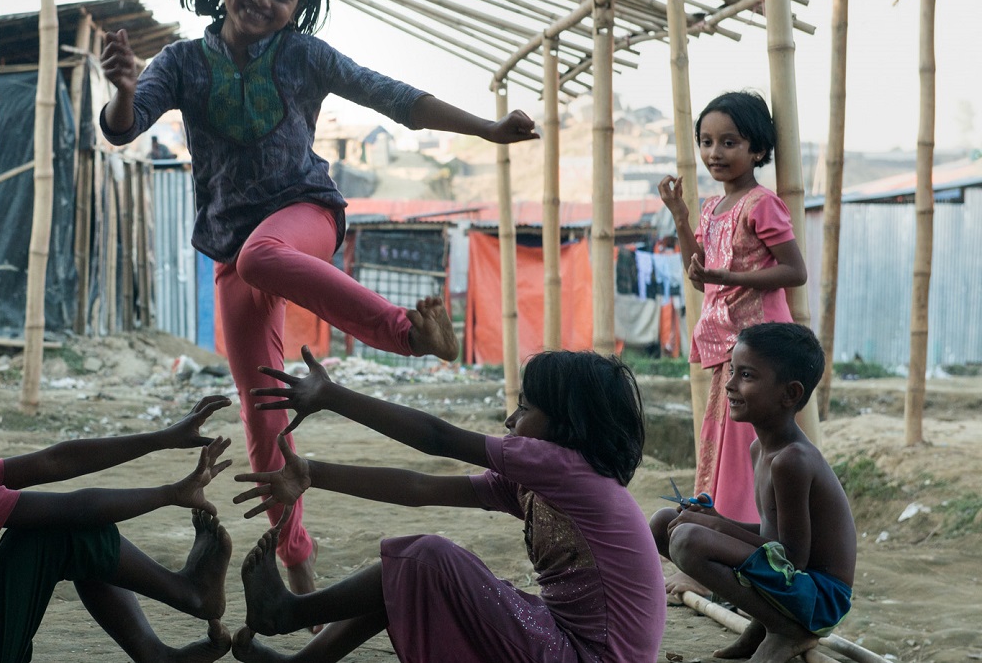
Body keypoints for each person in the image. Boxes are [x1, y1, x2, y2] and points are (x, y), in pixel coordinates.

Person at [99, 0, 539, 595]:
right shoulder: (183, 63)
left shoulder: (304, 55)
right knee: (262, 406)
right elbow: (125, 131)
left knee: (263, 256)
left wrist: (487, 128)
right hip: (231, 246)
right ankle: (298, 565)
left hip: (303, 215)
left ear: (299, 4)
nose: (266, 0)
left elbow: (395, 98)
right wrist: (125, 90)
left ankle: (409, 334)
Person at [227, 346, 665, 663]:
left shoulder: (565, 468)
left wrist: (333, 396)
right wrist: (312, 473)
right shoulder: (541, 483)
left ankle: (291, 611)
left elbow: (437, 438)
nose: (510, 421)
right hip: (565, 641)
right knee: (414, 574)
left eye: (525, 408)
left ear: (567, 427)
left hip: (586, 656)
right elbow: (421, 489)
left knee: (427, 559)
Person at [0, 337, 237, 663]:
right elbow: (79, 509)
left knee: (63, 531)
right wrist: (171, 494)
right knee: (59, 532)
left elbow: (55, 460)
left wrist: (162, 438)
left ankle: (157, 652)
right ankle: (189, 594)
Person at [649, 323, 854, 662]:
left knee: (688, 539)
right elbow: (772, 538)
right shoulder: (761, 449)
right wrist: (716, 519)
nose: (729, 385)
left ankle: (785, 629)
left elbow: (791, 558)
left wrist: (716, 527)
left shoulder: (792, 461)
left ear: (789, 394)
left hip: (820, 598)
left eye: (746, 375)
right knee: (663, 523)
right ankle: (764, 624)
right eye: (732, 371)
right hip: (795, 584)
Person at [656, 90, 806, 531]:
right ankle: (717, 544)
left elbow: (794, 270)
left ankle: (738, 550)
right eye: (706, 141)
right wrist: (682, 218)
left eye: (729, 142)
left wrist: (733, 277)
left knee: (745, 457)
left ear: (757, 149)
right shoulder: (711, 208)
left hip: (761, 353)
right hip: (730, 349)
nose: (714, 153)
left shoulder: (762, 204)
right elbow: (699, 273)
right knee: (723, 450)